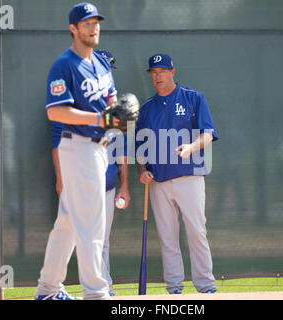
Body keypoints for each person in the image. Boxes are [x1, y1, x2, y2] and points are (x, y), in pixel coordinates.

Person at [35, 2, 121, 300]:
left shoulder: (99, 62)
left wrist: (116, 114)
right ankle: (97, 293)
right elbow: (56, 112)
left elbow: (110, 102)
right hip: (78, 147)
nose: (93, 27)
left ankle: (47, 289)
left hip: (98, 149)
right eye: (86, 23)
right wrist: (100, 119)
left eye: (96, 21)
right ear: (73, 28)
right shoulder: (65, 64)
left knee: (69, 223)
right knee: (92, 226)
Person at [136, 53, 218, 294]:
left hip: (189, 176)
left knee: (197, 231)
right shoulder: (147, 109)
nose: (157, 76)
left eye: (162, 71)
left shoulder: (193, 98)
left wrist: (192, 147)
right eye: (153, 72)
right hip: (159, 182)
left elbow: (208, 133)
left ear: (172, 72)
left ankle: (206, 287)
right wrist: (142, 171)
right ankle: (174, 289)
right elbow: (140, 151)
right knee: (167, 237)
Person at [49, 51, 130, 297]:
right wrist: (61, 179)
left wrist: (124, 185)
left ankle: (103, 288)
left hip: (106, 184)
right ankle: (64, 287)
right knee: (74, 236)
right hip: (78, 182)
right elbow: (56, 143)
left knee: (100, 239)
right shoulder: (70, 106)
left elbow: (121, 152)